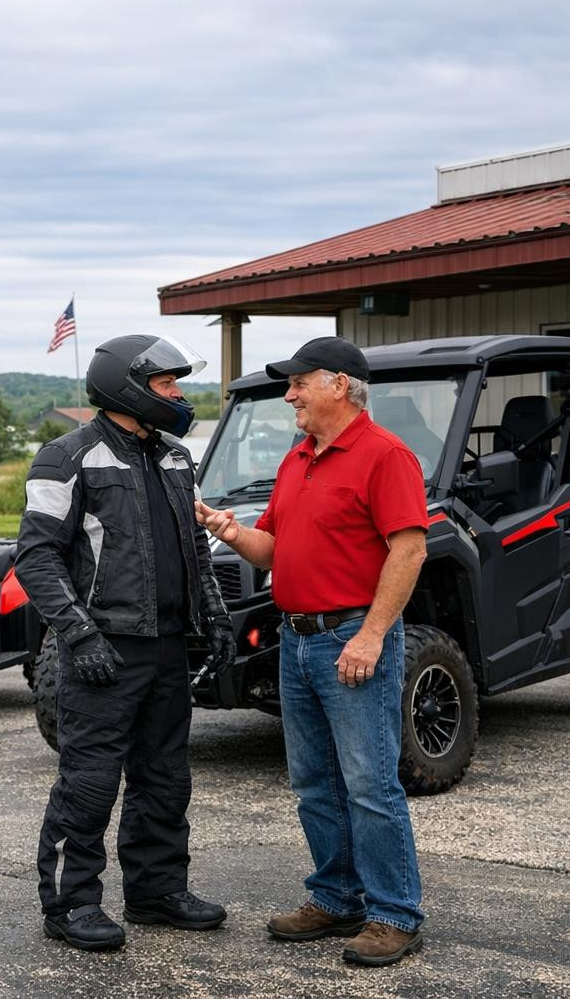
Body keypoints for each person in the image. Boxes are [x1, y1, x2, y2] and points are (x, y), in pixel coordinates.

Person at [194, 335, 428, 968]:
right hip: (295, 640)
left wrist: (372, 635)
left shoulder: (386, 456)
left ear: (340, 387)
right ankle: (337, 897)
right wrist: (231, 529)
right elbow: (273, 549)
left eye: (300, 383)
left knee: (369, 784)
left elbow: (409, 550)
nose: (290, 394)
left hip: (350, 639)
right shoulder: (300, 457)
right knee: (314, 783)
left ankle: (394, 914)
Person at [16, 333, 236, 952]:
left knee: (165, 779)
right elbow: (36, 558)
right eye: (168, 384)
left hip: (168, 647)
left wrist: (213, 616)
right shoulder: (66, 457)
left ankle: (156, 891)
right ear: (129, 388)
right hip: (101, 653)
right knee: (89, 782)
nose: (178, 394)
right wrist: (77, 634)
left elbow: (194, 546)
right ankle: (70, 903)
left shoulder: (172, 456)